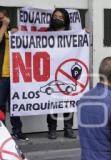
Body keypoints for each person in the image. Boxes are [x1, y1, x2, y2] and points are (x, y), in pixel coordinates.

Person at [46, 8, 75, 139]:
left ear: (66, 20)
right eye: (55, 16)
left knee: (68, 101)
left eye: (60, 17)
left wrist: (84, 34)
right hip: (51, 73)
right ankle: (52, 129)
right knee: (52, 102)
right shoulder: (46, 34)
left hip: (66, 73)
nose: (57, 18)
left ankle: (68, 128)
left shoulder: (73, 34)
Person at [0, 7, 27, 140]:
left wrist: (16, 32)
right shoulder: (3, 29)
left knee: (16, 105)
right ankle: (3, 133)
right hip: (2, 76)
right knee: (1, 106)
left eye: (2, 18)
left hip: (16, 76)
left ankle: (17, 130)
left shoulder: (13, 31)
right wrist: (4, 26)